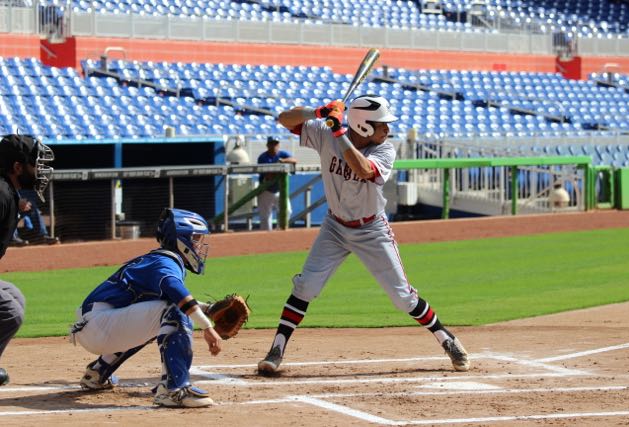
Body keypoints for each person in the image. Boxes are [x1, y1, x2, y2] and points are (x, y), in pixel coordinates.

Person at [257, 95, 469, 375]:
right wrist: (318, 112)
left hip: (372, 229)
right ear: (364, 125)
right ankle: (277, 349)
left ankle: (448, 339)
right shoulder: (325, 132)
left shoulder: (385, 150)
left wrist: (339, 132)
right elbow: (284, 119)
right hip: (335, 227)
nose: (387, 130)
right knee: (305, 287)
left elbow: (364, 169)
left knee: (403, 298)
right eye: (382, 125)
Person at [70, 208, 223, 408]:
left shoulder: (157, 259)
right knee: (172, 313)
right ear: (180, 239)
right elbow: (174, 291)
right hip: (100, 326)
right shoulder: (165, 261)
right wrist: (207, 326)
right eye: (195, 238)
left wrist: (208, 309)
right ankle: (173, 389)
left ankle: (99, 372)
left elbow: (164, 299)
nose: (198, 245)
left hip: (97, 326)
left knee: (161, 318)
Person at [0, 134, 55, 386]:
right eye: (34, 164)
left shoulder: (6, 192)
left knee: (14, 296)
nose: (39, 170)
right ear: (17, 167)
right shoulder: (1, 194)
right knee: (9, 312)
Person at [257, 136, 297, 231]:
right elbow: (268, 176)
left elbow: (294, 160)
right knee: (265, 216)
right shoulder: (263, 157)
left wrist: (282, 161)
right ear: (267, 145)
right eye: (271, 144)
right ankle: (266, 237)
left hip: (280, 190)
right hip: (266, 189)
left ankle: (280, 232)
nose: (274, 146)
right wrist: (278, 169)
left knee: (287, 211)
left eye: (275, 144)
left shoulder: (282, 154)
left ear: (278, 145)